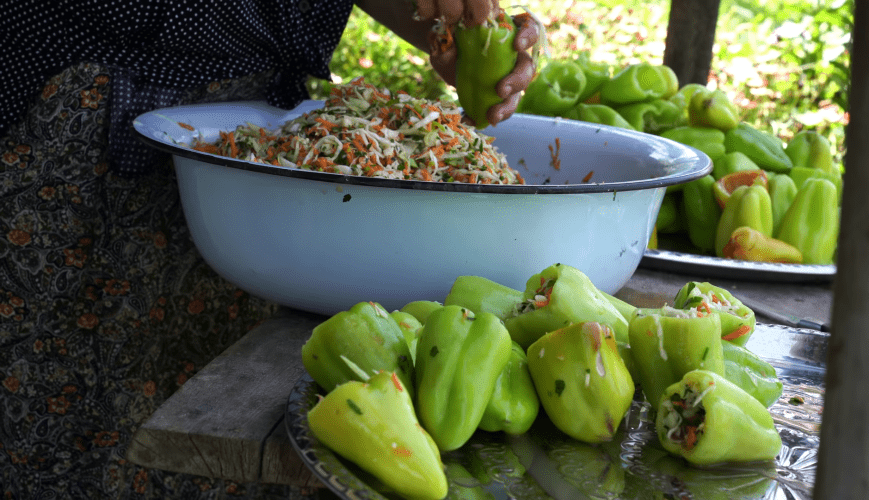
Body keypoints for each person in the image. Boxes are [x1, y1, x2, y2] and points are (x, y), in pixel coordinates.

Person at [0, 0, 538, 498]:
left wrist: (445, 24)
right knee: (72, 425)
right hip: (84, 134)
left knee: (229, 421)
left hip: (261, 163)